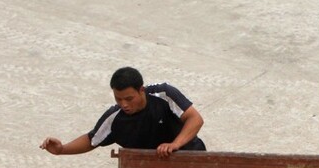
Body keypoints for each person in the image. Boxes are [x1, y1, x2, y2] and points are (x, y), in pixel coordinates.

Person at [40, 67, 207, 159]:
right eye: (118, 99)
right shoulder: (115, 117)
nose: (124, 104)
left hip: (190, 156)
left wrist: (174, 145)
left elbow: (195, 119)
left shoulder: (164, 94)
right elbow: (92, 140)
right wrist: (62, 149)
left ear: (141, 90)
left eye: (129, 98)